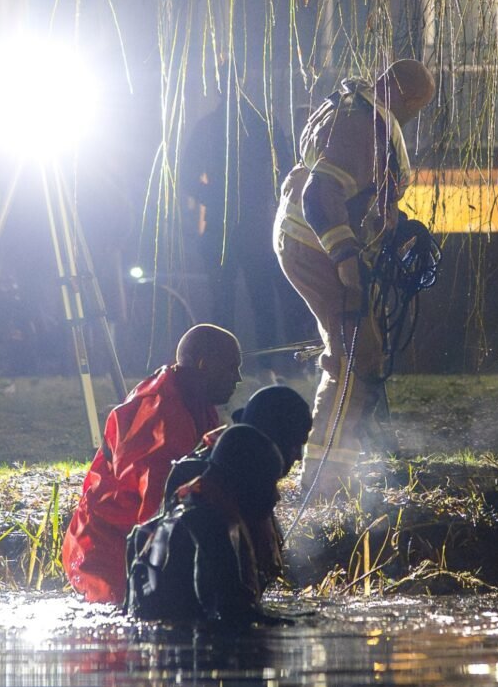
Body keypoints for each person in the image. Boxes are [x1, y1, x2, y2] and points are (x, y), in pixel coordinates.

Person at [273, 59, 435, 498]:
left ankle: (351, 457)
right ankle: (324, 482)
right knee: (356, 356)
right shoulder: (362, 126)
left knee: (361, 348)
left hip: (309, 245)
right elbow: (320, 197)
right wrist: (348, 266)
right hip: (318, 250)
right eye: (417, 110)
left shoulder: (354, 108)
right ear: (409, 99)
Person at [61, 323, 243, 604]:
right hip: (106, 552)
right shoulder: (162, 419)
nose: (238, 378)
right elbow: (154, 514)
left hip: (122, 539)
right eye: (231, 368)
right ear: (203, 365)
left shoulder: (191, 397)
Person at [124, 424, 283, 623]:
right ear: (245, 482)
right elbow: (230, 614)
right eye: (270, 483)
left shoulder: (181, 514)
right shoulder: (209, 526)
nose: (276, 496)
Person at [160, 384, 312, 588]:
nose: (299, 456)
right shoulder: (212, 488)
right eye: (295, 445)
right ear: (274, 439)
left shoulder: (245, 473)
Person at [180, 101, 288, 382]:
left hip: (234, 225)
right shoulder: (260, 121)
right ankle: (258, 367)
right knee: (247, 299)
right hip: (241, 224)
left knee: (235, 300)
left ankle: (234, 367)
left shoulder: (215, 124)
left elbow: (185, 174)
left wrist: (212, 196)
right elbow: (286, 164)